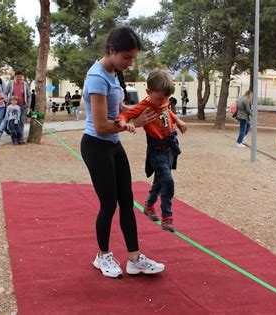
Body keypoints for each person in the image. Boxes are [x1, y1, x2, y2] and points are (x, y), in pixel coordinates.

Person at [81, 25, 165, 278]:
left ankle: (134, 258)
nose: (129, 63)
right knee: (108, 204)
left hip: (113, 145)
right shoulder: (97, 77)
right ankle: (102, 256)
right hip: (96, 145)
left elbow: (118, 110)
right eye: (126, 57)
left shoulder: (114, 72)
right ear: (112, 50)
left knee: (127, 202)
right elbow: (101, 125)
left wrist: (143, 109)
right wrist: (135, 124)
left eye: (133, 58)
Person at [116, 69, 187, 232]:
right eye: (160, 98)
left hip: (170, 148)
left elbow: (166, 110)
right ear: (149, 92)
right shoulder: (145, 105)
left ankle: (148, 205)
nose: (164, 101)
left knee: (159, 180)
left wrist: (179, 121)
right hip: (157, 151)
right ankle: (167, 216)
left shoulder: (162, 101)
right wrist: (124, 123)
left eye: (167, 98)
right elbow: (125, 115)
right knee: (167, 182)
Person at [3, 70, 31, 143]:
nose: (19, 79)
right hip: (13, 106)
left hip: (22, 106)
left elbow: (29, 95)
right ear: (14, 76)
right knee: (13, 123)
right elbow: (5, 93)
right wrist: (8, 101)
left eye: (20, 77)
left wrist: (28, 103)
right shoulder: (10, 83)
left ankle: (20, 138)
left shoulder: (25, 84)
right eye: (17, 77)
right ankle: (14, 139)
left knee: (21, 122)